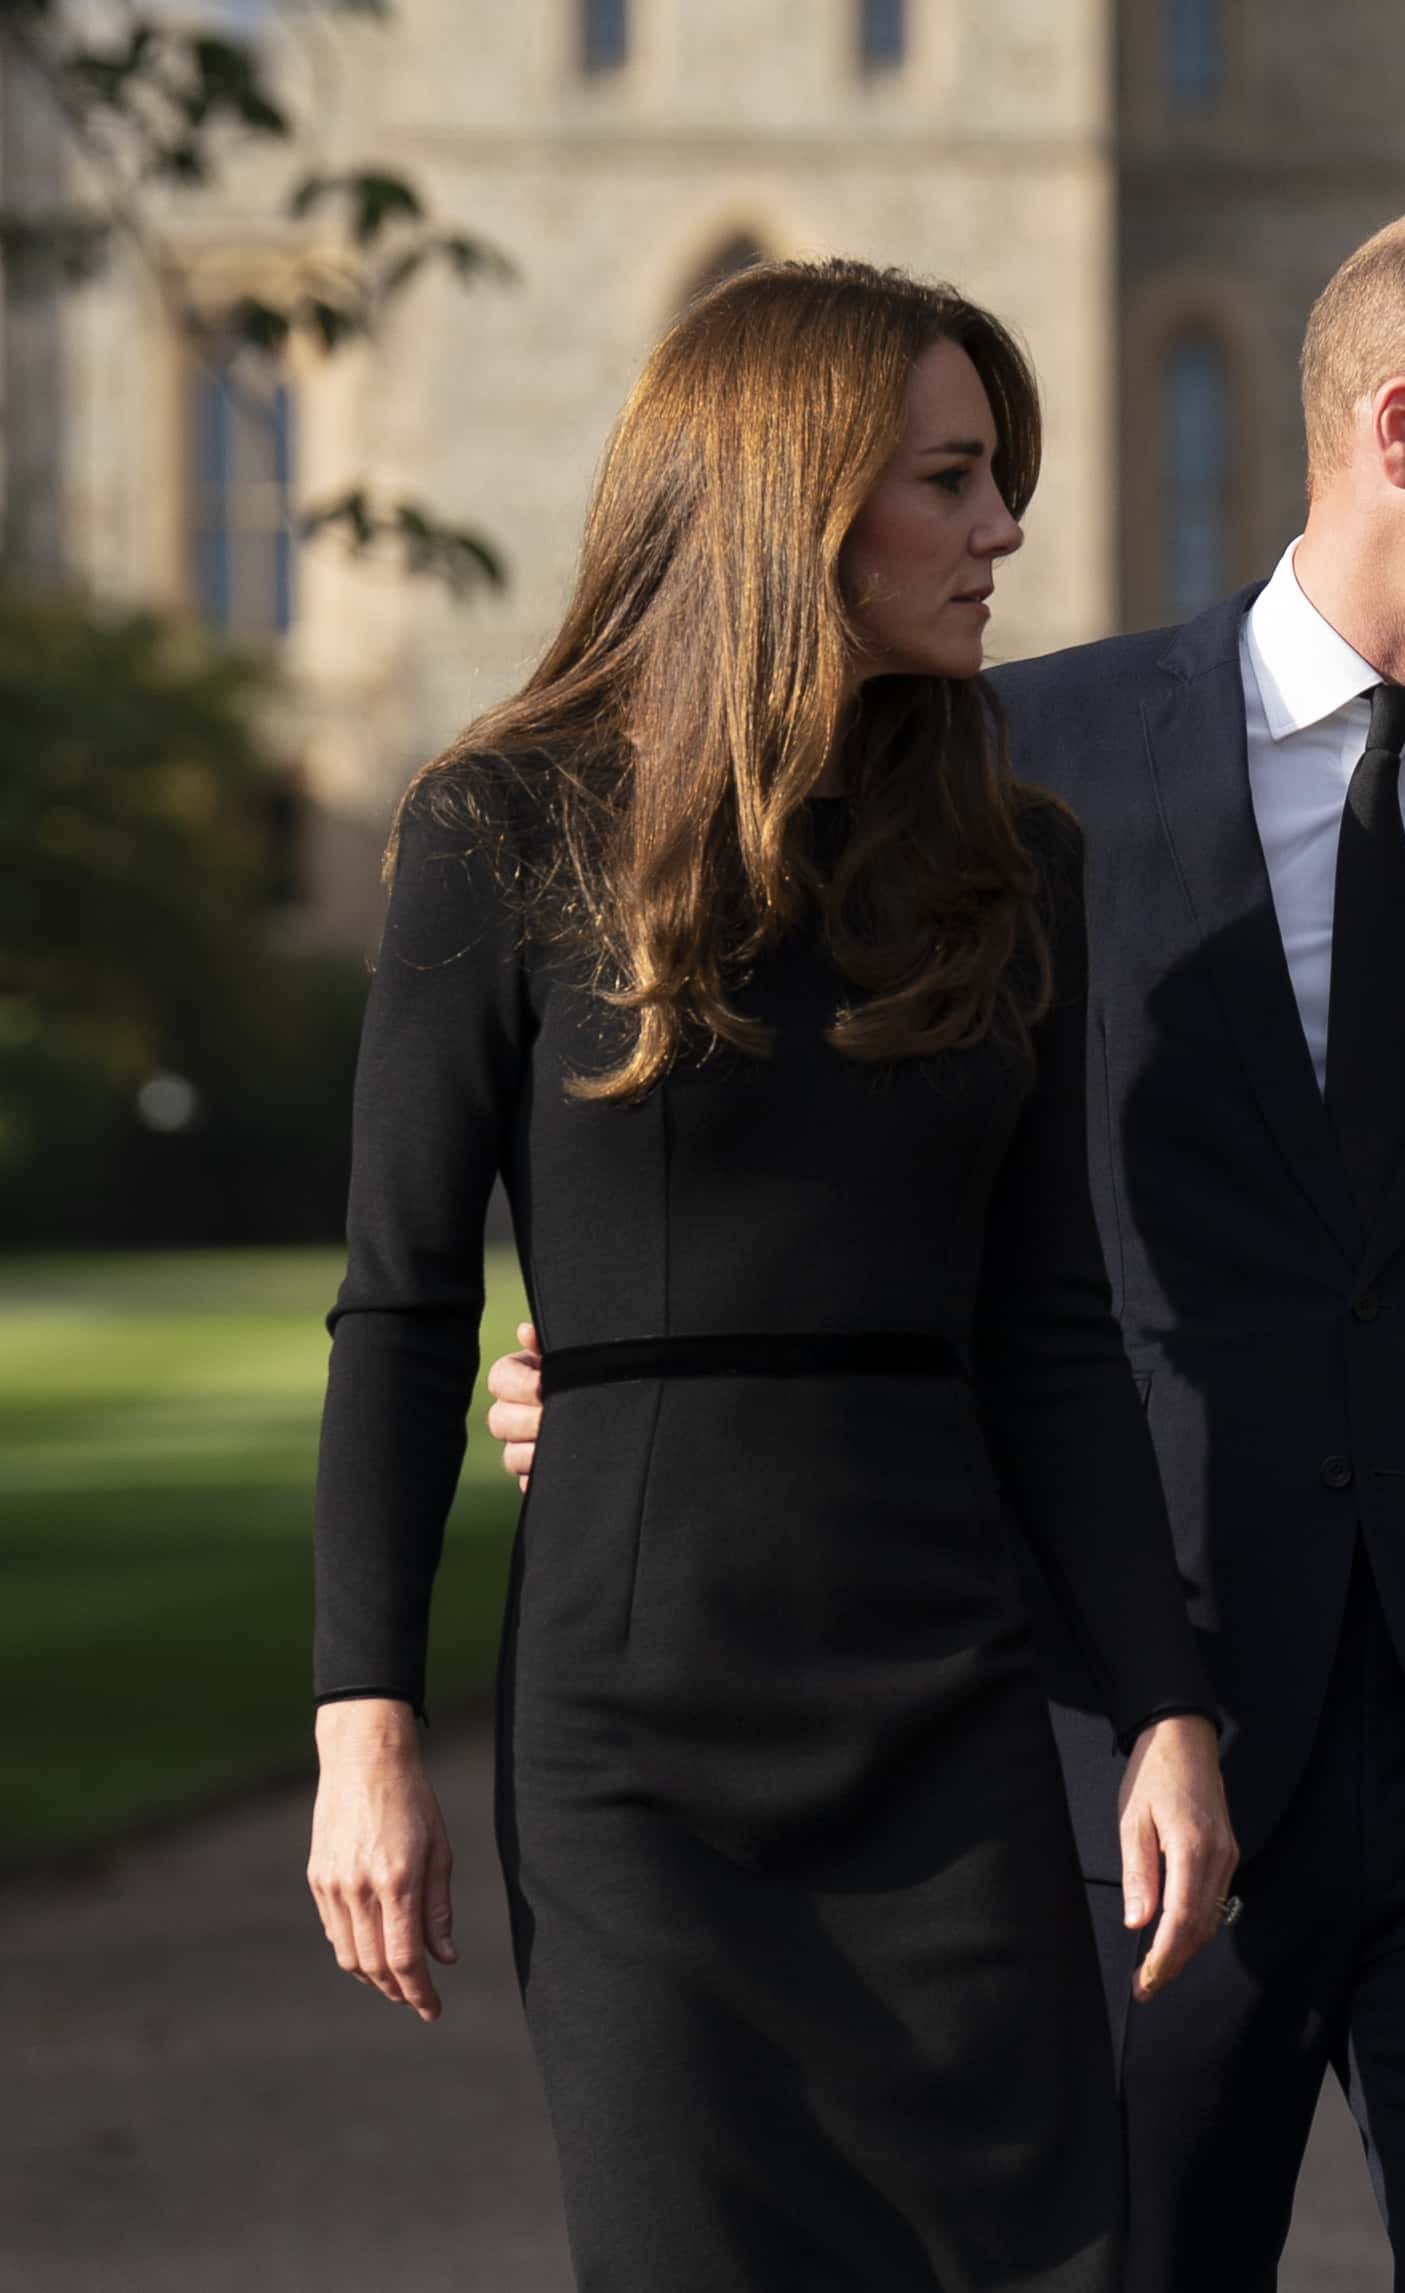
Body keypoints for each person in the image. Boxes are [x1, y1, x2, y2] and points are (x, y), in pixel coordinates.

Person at [488, 208, 1405, 2291]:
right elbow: (818, 1182)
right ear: (1404, 428)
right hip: (1134, 1759)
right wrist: (642, 1370)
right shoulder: (1015, 765)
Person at [303, 260, 1235, 2290]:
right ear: (793, 500)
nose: (1002, 532)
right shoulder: (501, 821)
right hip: (641, 1740)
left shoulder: (1015, 857)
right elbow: (396, 1304)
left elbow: (1052, 1323)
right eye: (955, 480)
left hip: (952, 1705)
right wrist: (361, 1727)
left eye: (1001, 480)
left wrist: (1162, 1707)